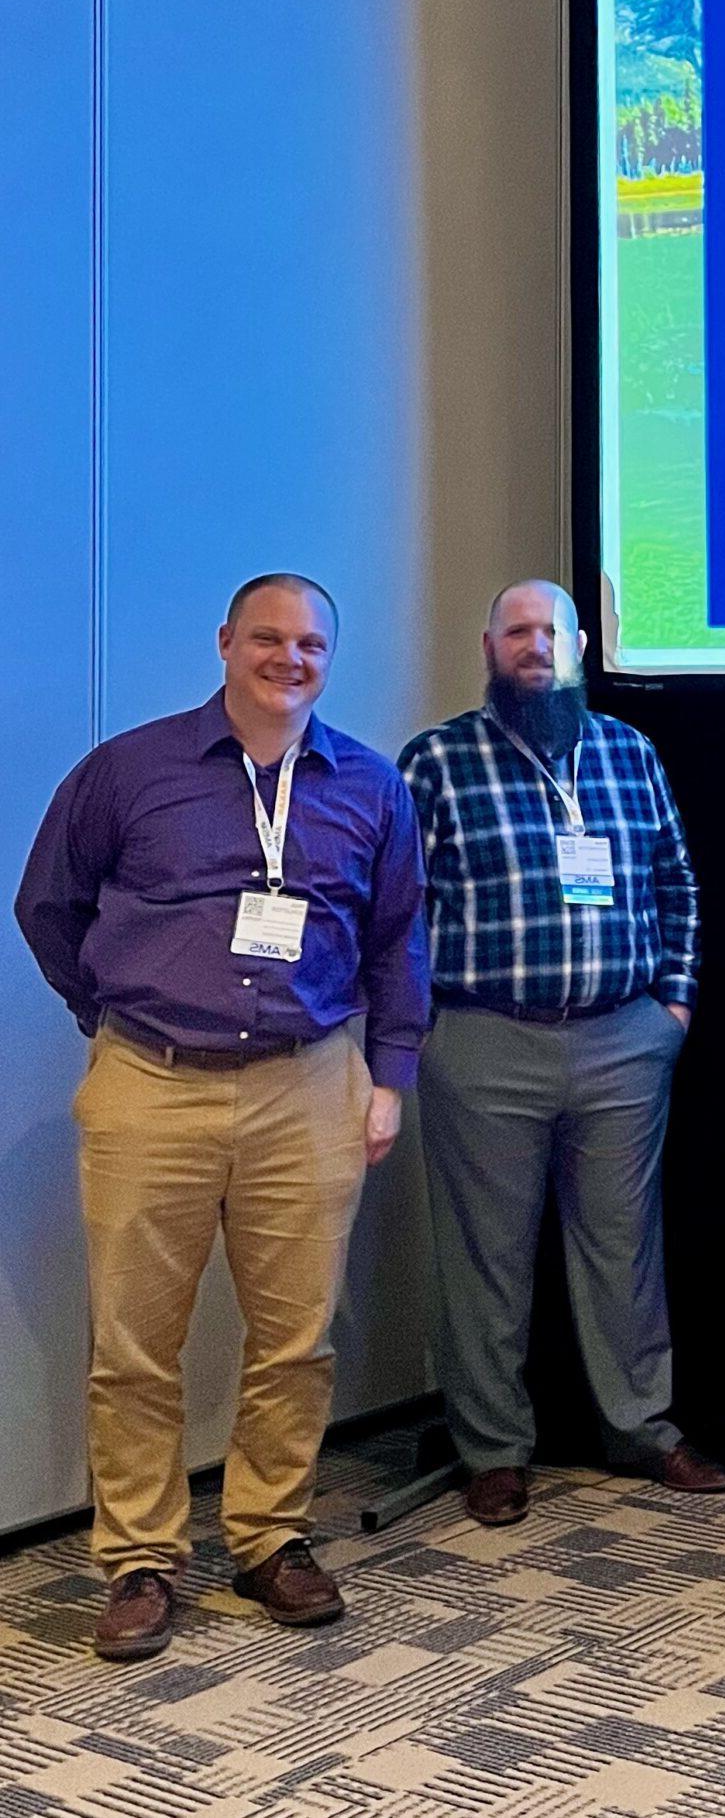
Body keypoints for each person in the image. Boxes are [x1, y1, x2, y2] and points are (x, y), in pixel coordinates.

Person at [14, 575, 428, 1659]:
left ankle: (269, 1536)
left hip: (311, 1080)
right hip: (151, 1079)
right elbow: (48, 903)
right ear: (225, 643)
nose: (288, 658)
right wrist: (114, 1011)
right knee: (135, 1344)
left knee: (295, 1338)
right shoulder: (129, 769)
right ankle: (141, 1558)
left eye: (310, 643)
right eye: (267, 638)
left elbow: (396, 940)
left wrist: (387, 1075)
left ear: (329, 657)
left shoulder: (372, 787)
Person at [398, 580, 725, 1526]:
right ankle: (493, 1450)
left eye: (552, 632)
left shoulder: (630, 752)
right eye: (518, 633)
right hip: (485, 1038)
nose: (536, 647)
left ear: (580, 647)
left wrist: (675, 1005)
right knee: (485, 1259)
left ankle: (643, 1430)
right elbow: (398, 909)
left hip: (625, 1039)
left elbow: (676, 882)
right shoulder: (437, 760)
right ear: (490, 647)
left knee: (625, 1250)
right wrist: (420, 1025)